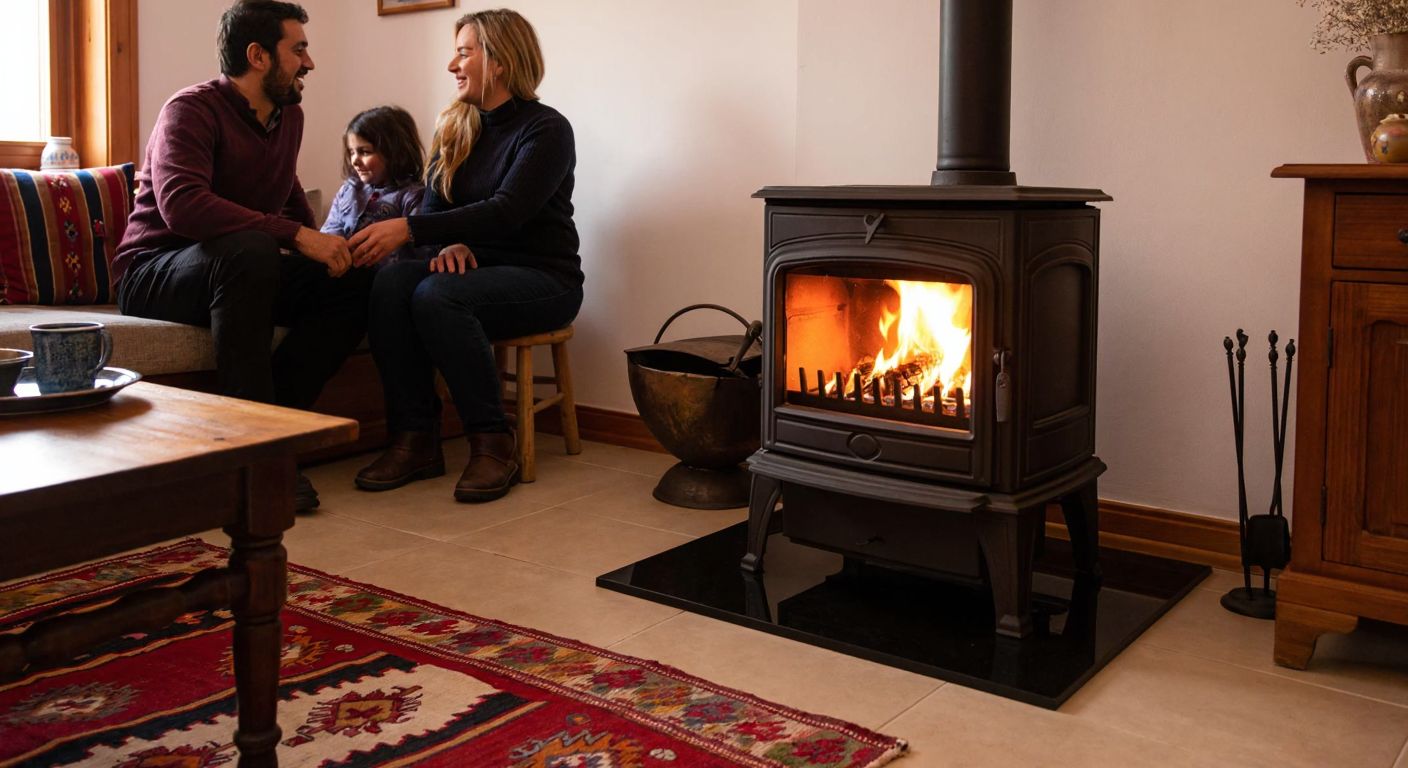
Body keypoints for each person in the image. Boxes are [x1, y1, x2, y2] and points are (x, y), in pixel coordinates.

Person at [113, 0, 371, 511]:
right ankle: (259, 458)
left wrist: (322, 246)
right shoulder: (189, 110)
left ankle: (277, 428)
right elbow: (184, 206)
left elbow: (287, 188)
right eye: (298, 49)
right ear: (257, 55)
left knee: (353, 279)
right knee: (252, 249)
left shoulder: (287, 115)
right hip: (154, 273)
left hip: (239, 269)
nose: (310, 62)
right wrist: (296, 237)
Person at [348, 9, 583, 503]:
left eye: (463, 52)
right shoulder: (454, 127)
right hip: (473, 269)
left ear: (497, 61)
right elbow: (437, 212)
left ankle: (493, 442)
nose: (452, 65)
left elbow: (509, 212)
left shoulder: (546, 130)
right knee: (391, 282)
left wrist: (411, 228)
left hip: (544, 277)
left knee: (439, 296)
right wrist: (445, 242)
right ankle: (415, 439)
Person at [321, 106, 426, 263]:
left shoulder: (412, 196)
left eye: (364, 152)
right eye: (351, 152)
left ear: (394, 153)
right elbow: (331, 229)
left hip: (384, 274)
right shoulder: (349, 190)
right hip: (344, 268)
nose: (355, 160)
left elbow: (421, 251)